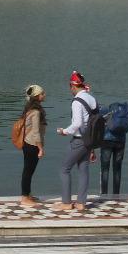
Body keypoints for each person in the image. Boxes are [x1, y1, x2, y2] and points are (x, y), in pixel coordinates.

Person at [56, 70, 98, 212]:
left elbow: (77, 123)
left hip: (79, 140)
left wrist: (64, 131)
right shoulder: (92, 99)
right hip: (89, 141)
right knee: (83, 169)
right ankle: (81, 203)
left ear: (73, 86)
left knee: (64, 169)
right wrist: (92, 148)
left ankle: (66, 203)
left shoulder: (76, 101)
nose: (70, 90)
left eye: (70, 87)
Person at [16, 85, 46, 205]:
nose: (44, 95)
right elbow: (35, 132)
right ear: (37, 96)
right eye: (42, 93)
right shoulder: (35, 112)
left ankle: (28, 194)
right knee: (28, 171)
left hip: (27, 143)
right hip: (32, 144)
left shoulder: (29, 109)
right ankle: (24, 197)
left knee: (29, 170)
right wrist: (40, 148)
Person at [99, 100, 128, 195]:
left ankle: (104, 194)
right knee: (117, 169)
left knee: (105, 169)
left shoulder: (105, 110)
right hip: (121, 142)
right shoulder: (125, 111)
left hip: (106, 141)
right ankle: (116, 194)